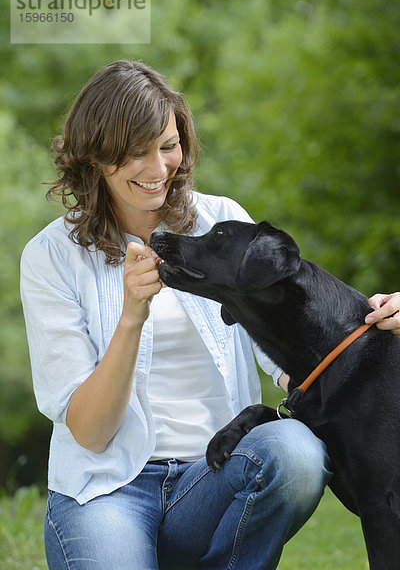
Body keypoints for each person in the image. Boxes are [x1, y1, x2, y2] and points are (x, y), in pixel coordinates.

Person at [18, 59, 396, 570]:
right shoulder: (52, 256)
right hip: (106, 492)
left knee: (295, 452)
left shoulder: (223, 224)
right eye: (134, 153)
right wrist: (132, 316)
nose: (157, 170)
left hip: (217, 477)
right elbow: (89, 433)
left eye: (168, 146)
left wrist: (379, 329)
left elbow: (296, 363)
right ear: (95, 156)